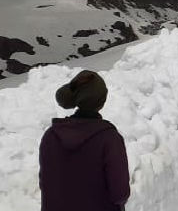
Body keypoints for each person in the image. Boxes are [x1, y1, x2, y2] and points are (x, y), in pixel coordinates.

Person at [39, 70, 130, 211]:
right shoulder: (109, 139)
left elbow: (46, 184)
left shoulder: (51, 135)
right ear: (101, 101)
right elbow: (120, 194)